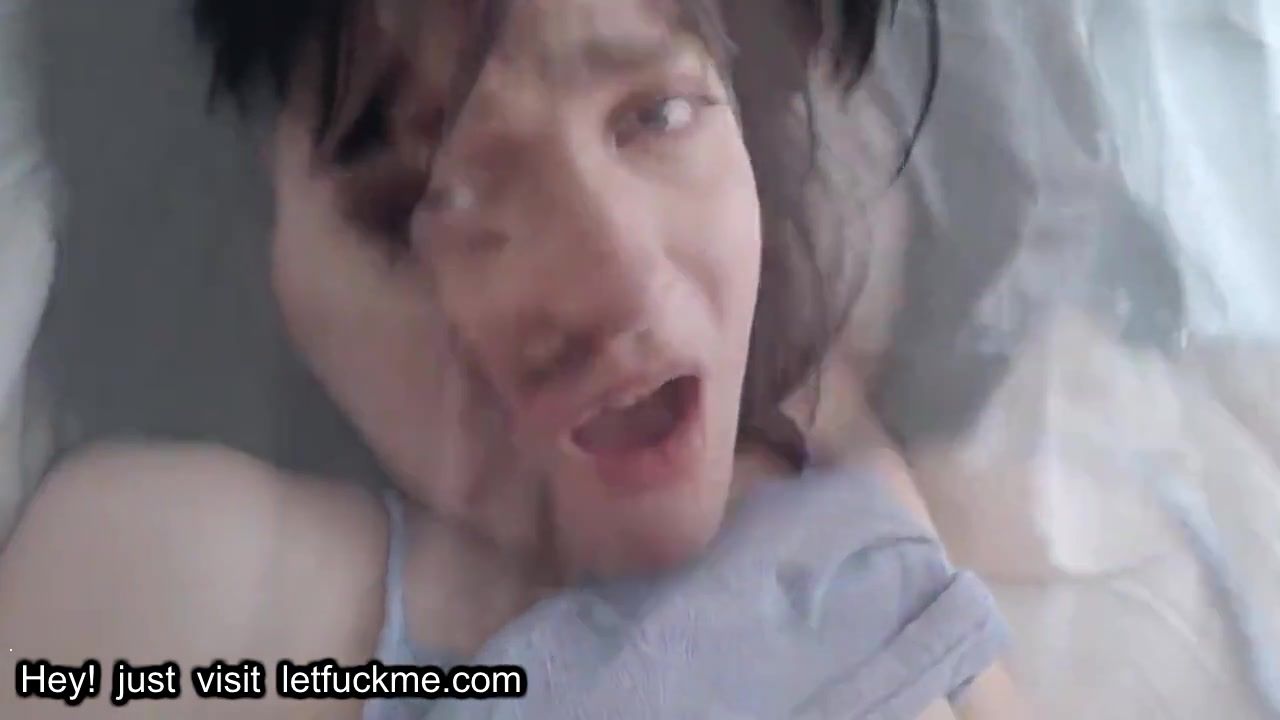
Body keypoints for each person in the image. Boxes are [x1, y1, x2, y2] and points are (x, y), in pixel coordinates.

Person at [0, 0, 1020, 717]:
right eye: (429, 199)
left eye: (657, 116)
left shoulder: (845, 477)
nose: (620, 281)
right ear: (243, 259)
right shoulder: (172, 578)